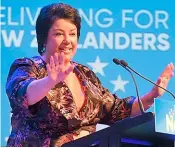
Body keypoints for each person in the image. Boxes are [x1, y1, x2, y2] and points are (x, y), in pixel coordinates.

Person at [6, 3, 174, 147]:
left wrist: (151, 96)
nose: (67, 40)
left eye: (72, 34)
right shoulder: (28, 66)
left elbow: (116, 109)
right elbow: (24, 94)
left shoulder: (85, 74)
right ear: (43, 38)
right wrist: (50, 81)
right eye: (58, 34)